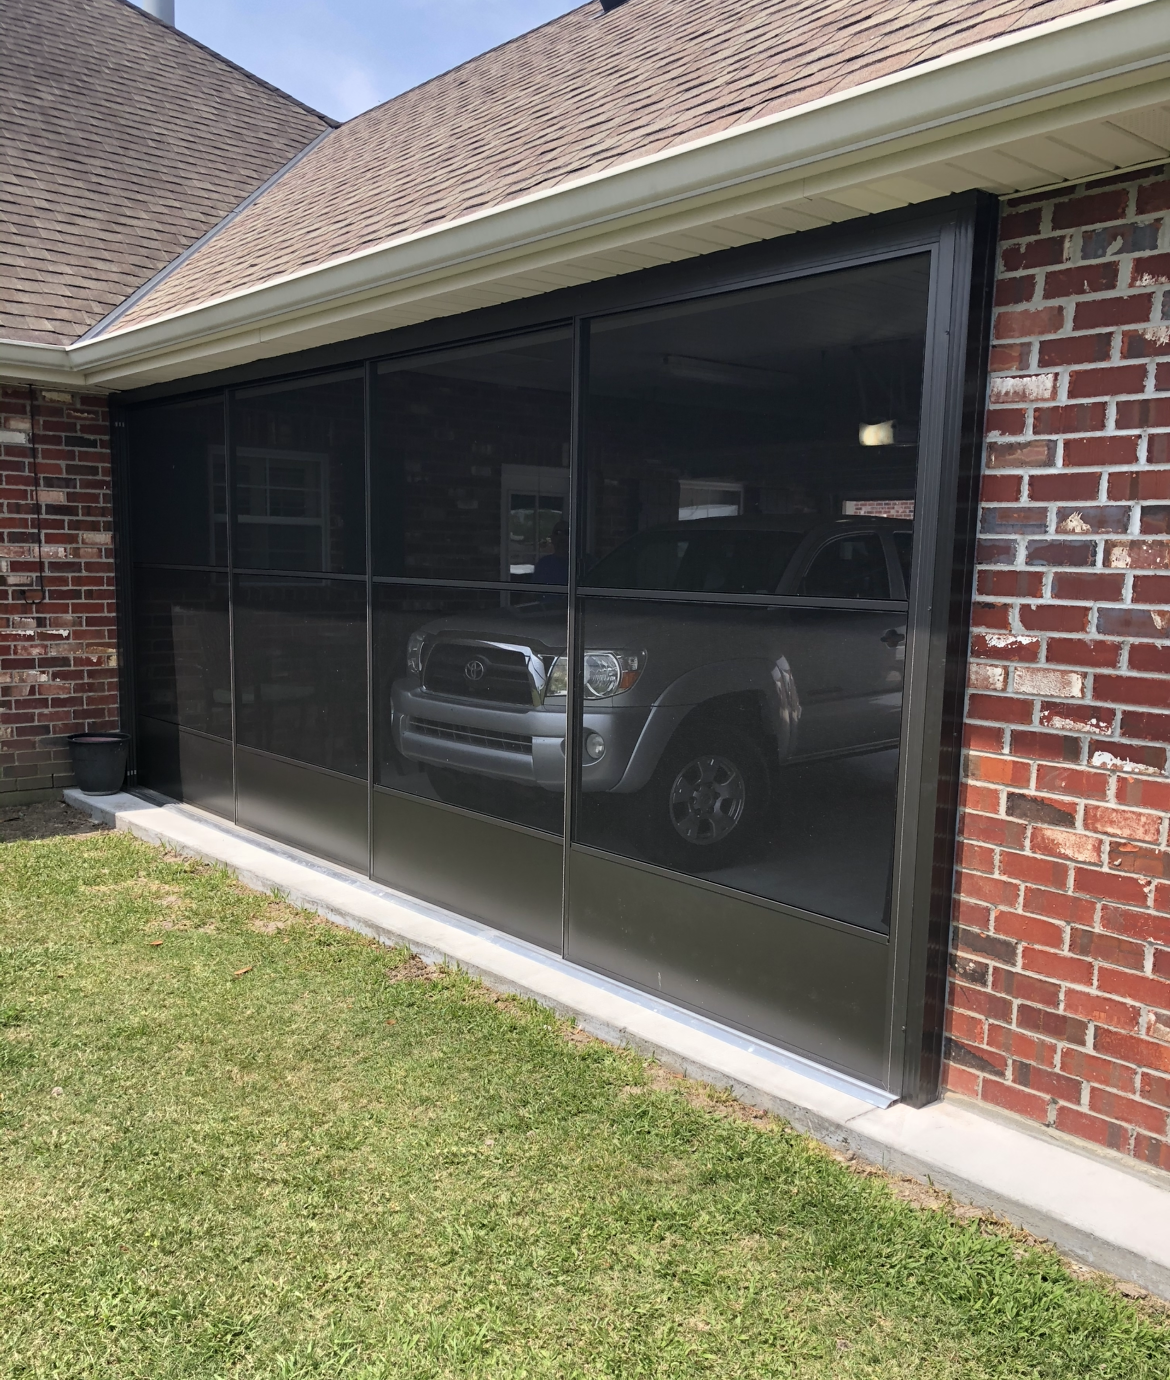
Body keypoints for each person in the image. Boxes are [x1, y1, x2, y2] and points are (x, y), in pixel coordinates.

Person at [532, 520, 569, 585]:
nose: (562, 537)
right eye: (558, 533)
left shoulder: (584, 564)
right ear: (552, 538)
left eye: (567, 533)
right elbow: (534, 592)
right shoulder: (543, 564)